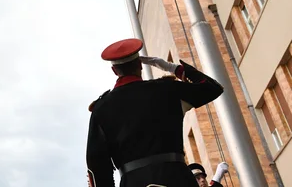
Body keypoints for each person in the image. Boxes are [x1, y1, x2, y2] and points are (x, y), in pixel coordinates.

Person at [85, 38, 224, 187]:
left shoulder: (101, 108)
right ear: (140, 65)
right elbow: (212, 88)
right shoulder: (167, 89)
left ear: (114, 71)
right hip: (177, 178)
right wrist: (173, 68)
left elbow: (97, 166)